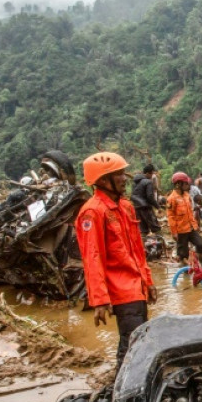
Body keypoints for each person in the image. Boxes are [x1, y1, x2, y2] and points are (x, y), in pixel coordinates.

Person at [76, 152, 157, 369]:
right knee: (132, 343)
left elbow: (138, 251)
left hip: (136, 285)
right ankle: (124, 391)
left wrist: (147, 281)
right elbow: (92, 257)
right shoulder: (92, 212)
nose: (125, 178)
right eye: (119, 174)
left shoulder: (126, 207)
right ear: (103, 180)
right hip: (120, 290)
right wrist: (100, 299)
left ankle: (134, 385)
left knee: (139, 339)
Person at [167, 172, 202, 266]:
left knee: (201, 244)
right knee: (183, 254)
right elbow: (171, 217)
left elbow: (190, 212)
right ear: (178, 184)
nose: (188, 185)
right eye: (186, 183)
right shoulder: (171, 199)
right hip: (181, 231)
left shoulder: (187, 195)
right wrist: (174, 232)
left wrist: (195, 225)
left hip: (191, 228)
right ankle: (185, 273)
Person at [131, 164, 161, 236]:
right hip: (146, 208)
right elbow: (150, 196)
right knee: (156, 228)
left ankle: (144, 246)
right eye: (151, 174)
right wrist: (158, 207)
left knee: (143, 230)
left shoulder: (135, 183)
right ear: (147, 173)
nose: (152, 176)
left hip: (137, 208)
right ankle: (162, 246)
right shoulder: (148, 182)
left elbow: (133, 194)